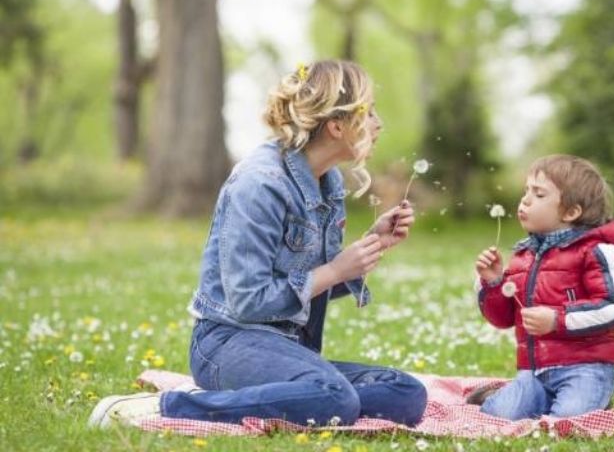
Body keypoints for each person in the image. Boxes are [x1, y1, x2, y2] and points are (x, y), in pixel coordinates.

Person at [89, 60, 427, 428]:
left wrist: (372, 244)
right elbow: (249, 301)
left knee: (405, 392)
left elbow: (311, 283)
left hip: (288, 348)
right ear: (337, 126)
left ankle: (294, 396)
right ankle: (167, 408)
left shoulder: (327, 183)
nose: (378, 124)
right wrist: (335, 270)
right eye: (370, 112)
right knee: (336, 398)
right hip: (227, 344)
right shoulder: (259, 184)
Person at [469, 154, 614, 420]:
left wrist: (558, 320)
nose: (525, 200)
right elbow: (503, 319)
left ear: (571, 212)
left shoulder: (597, 251)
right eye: (526, 191)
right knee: (497, 415)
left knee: (568, 418)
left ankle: (586, 395)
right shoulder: (525, 256)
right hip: (535, 372)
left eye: (539, 194)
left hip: (586, 368)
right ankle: (502, 395)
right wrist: (494, 282)